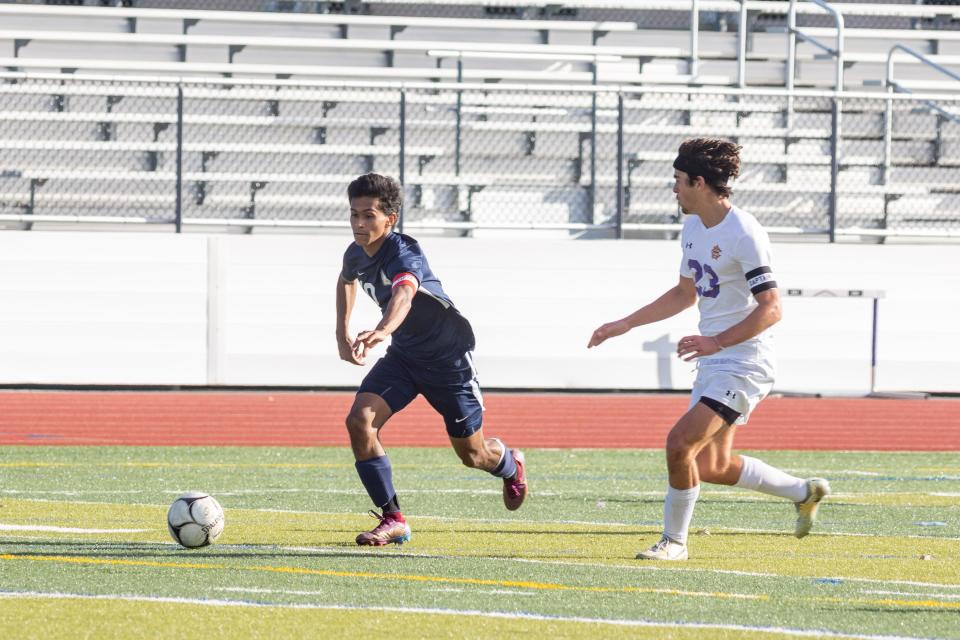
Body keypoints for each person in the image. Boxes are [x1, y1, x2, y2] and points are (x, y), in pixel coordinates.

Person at [587, 138, 830, 561]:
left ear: (699, 182)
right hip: (716, 360)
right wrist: (625, 323)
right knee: (713, 465)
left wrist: (716, 341)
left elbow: (771, 308)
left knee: (680, 444)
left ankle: (674, 542)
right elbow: (685, 293)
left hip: (744, 362)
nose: (674, 189)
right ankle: (803, 491)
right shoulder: (694, 225)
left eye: (679, 181)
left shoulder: (745, 233)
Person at [336, 173, 527, 546]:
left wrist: (382, 329)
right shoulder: (355, 251)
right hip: (405, 357)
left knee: (473, 455)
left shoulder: (404, 252)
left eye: (369, 216)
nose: (359, 224)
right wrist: (341, 331)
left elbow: (404, 295)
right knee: (360, 421)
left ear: (390, 219)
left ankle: (509, 463)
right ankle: (394, 519)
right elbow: (346, 279)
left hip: (448, 358)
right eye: (354, 214)